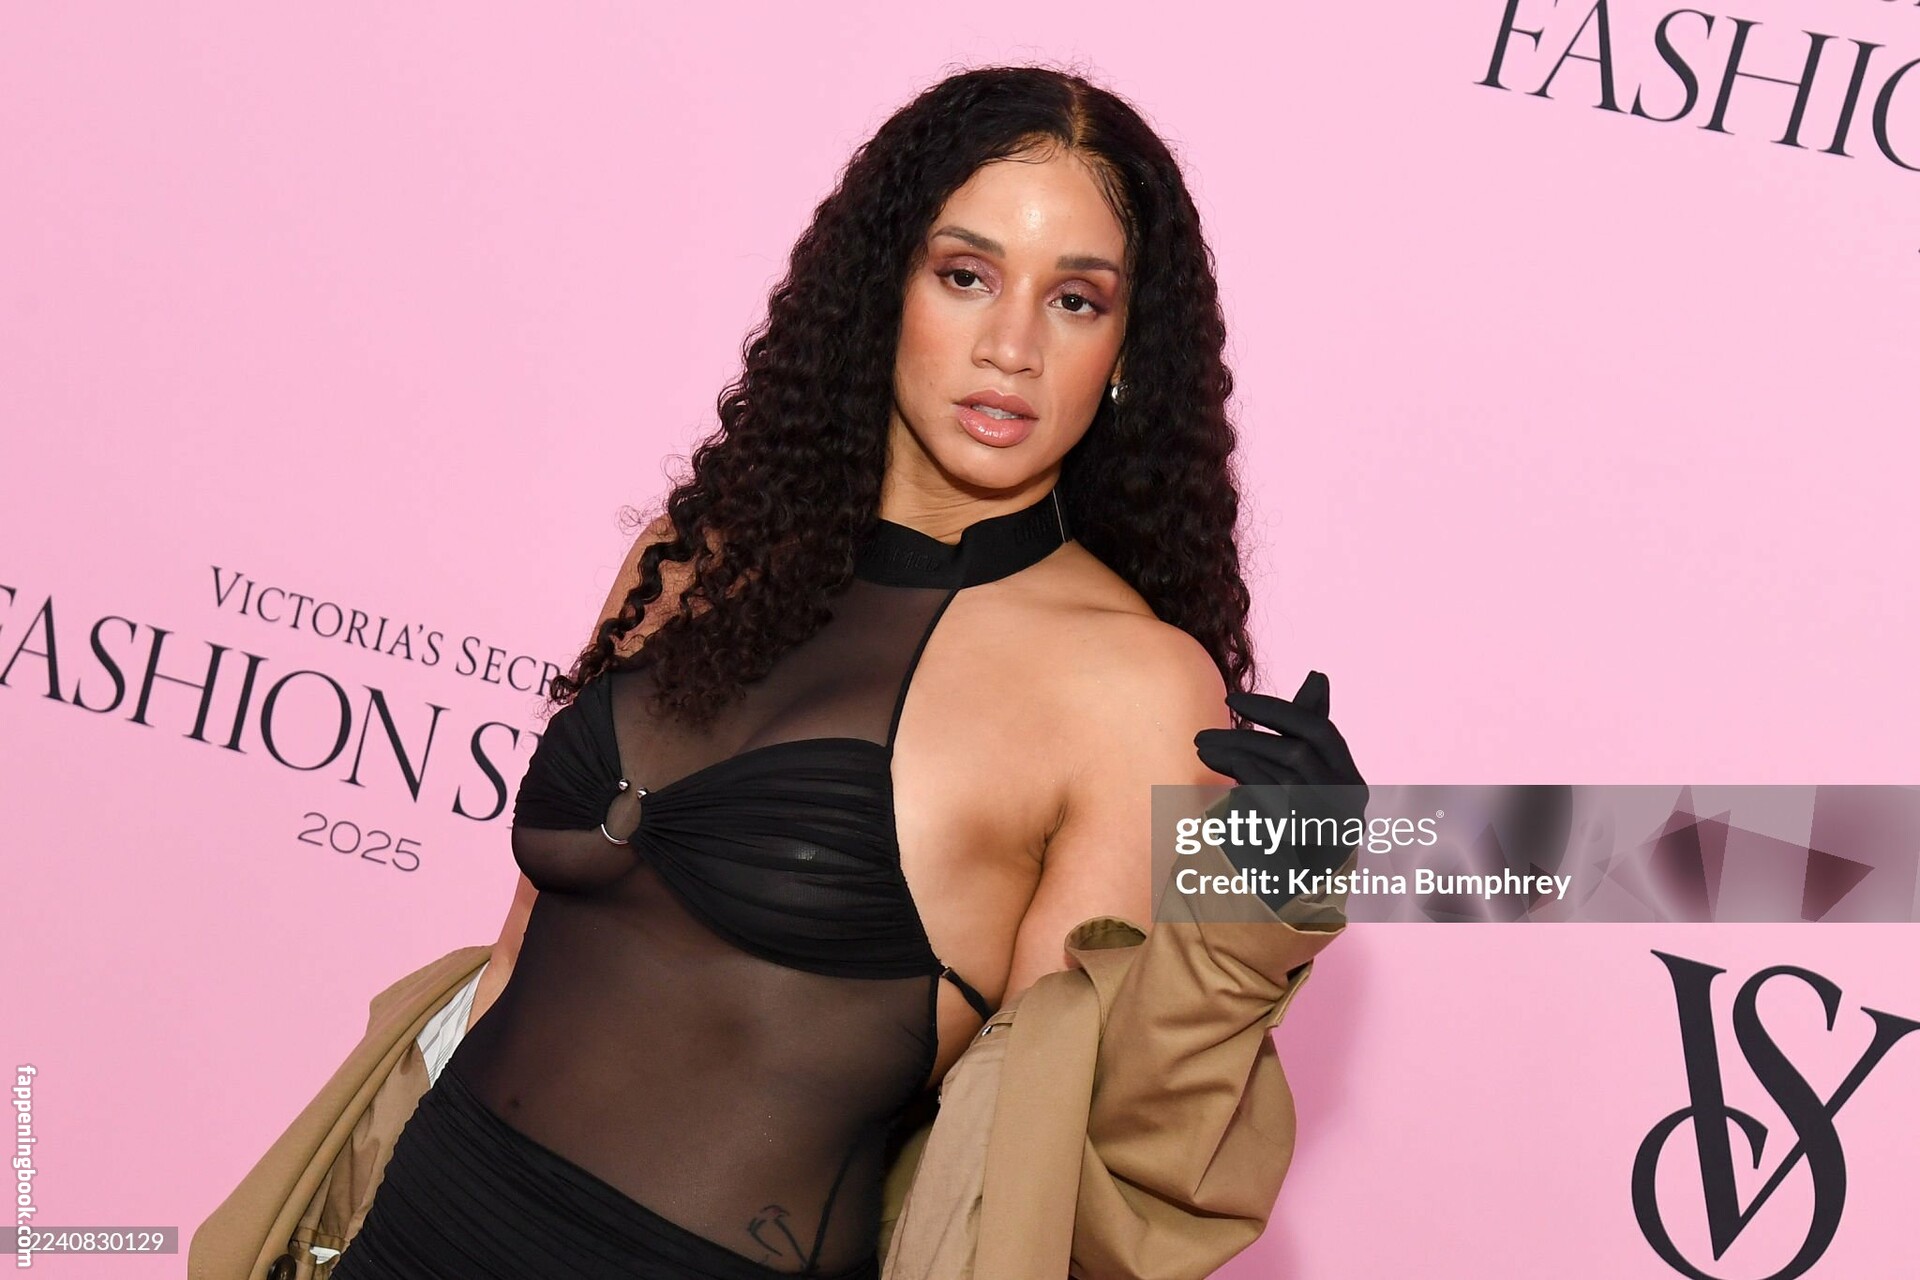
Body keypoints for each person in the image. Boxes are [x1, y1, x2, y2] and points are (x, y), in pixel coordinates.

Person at [327, 64, 1362, 1280]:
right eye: (965, 275)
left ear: (1127, 348)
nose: (1013, 347)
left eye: (1076, 300)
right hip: (417, 1228)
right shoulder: (689, 558)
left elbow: (1057, 1155)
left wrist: (1256, 907)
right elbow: (516, 956)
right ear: (885, 289)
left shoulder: (1130, 686)